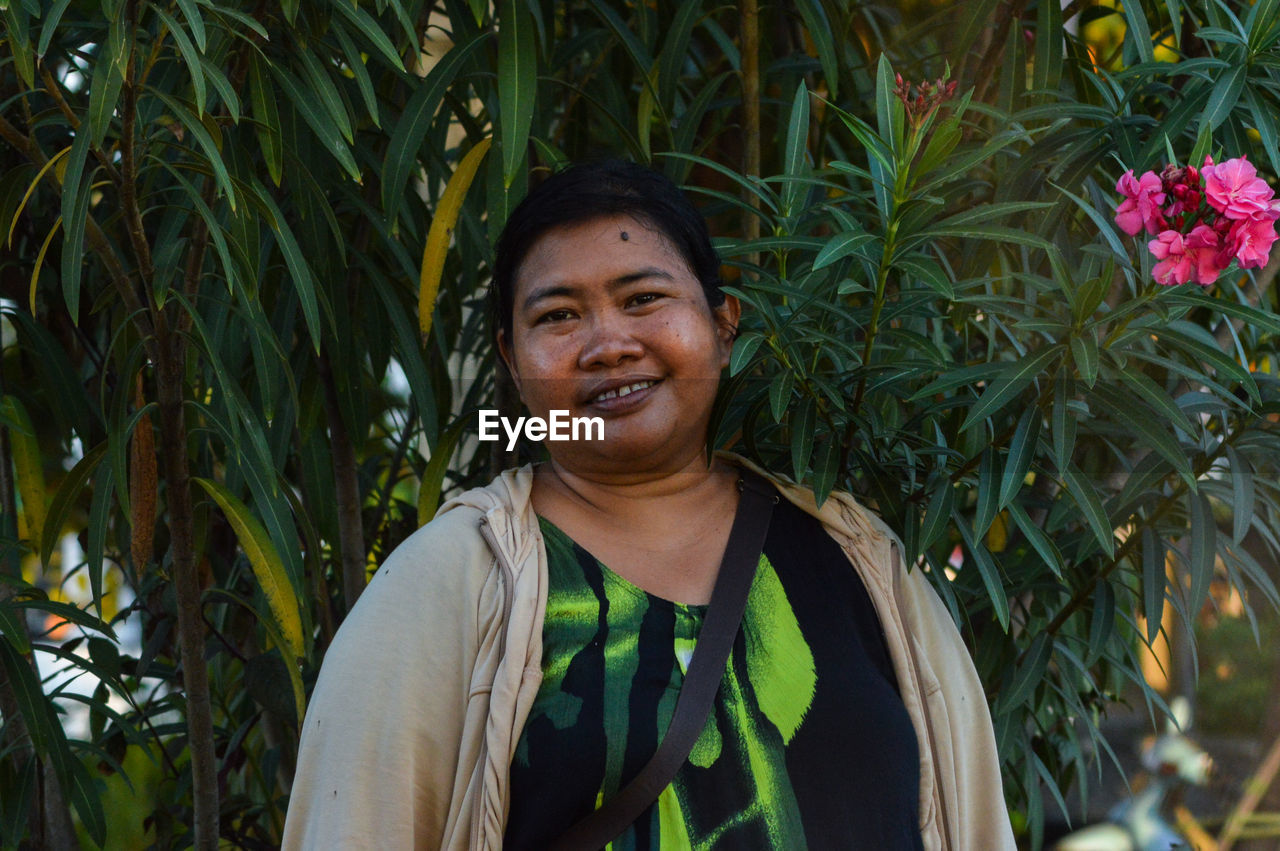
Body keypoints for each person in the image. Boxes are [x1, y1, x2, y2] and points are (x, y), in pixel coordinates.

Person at [282, 160, 1015, 850]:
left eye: (643, 299)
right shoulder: (446, 583)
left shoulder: (858, 557)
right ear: (511, 360)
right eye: (560, 316)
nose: (608, 344)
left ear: (724, 325)